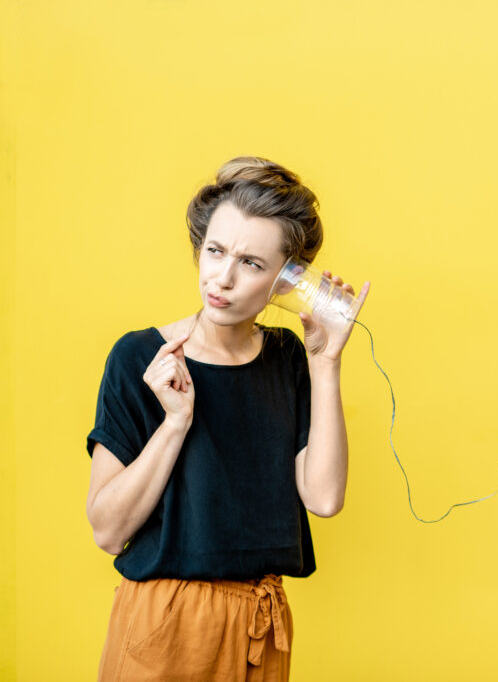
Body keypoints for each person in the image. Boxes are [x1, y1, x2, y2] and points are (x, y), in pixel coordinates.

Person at [85, 157, 368, 681]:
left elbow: (324, 499)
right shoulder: (140, 358)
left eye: (252, 264)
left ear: (287, 280)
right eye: (214, 251)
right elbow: (107, 529)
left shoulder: (290, 358)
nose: (223, 278)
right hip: (165, 623)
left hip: (259, 625)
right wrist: (174, 424)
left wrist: (325, 364)